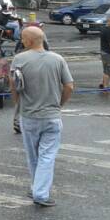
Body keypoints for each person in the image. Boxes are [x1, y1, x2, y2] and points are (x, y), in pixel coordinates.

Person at [11, 26, 73, 208]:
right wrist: (59, 104)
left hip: (29, 115)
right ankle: (40, 192)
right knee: (47, 156)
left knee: (33, 156)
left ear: (29, 41)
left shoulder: (19, 60)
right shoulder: (57, 60)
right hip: (52, 115)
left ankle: (36, 189)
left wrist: (18, 104)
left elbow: (13, 86)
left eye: (23, 38)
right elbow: (69, 86)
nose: (21, 41)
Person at [98, 15, 110, 93]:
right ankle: (106, 87)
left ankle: (102, 84)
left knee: (105, 69)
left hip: (103, 52)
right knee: (108, 71)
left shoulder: (103, 29)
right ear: (107, 22)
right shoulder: (108, 31)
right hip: (108, 53)